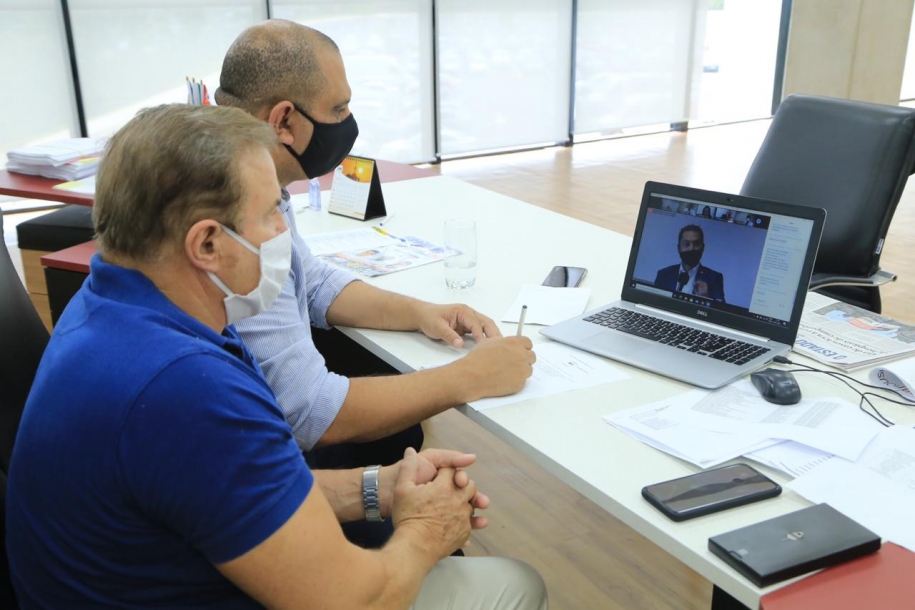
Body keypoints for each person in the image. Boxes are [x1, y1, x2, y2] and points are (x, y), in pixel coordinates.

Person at [6, 104, 547, 609]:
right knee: (515, 583)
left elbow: (241, 489)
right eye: (270, 214)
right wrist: (429, 530)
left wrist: (377, 488)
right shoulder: (185, 389)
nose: (283, 232)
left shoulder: (114, 307)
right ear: (208, 245)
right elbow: (353, 601)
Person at [214, 20, 535, 462]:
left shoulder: (251, 173)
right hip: (252, 454)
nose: (348, 124)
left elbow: (308, 281)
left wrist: (422, 313)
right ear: (284, 120)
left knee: (387, 389)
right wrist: (470, 377)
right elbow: (309, 412)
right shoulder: (232, 210)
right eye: (339, 110)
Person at [653, 224, 725, 302]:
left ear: (703, 248)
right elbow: (653, 301)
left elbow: (721, 310)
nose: (691, 248)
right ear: (678, 248)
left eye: (696, 244)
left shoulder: (714, 278)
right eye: (686, 244)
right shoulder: (664, 274)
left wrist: (707, 297)